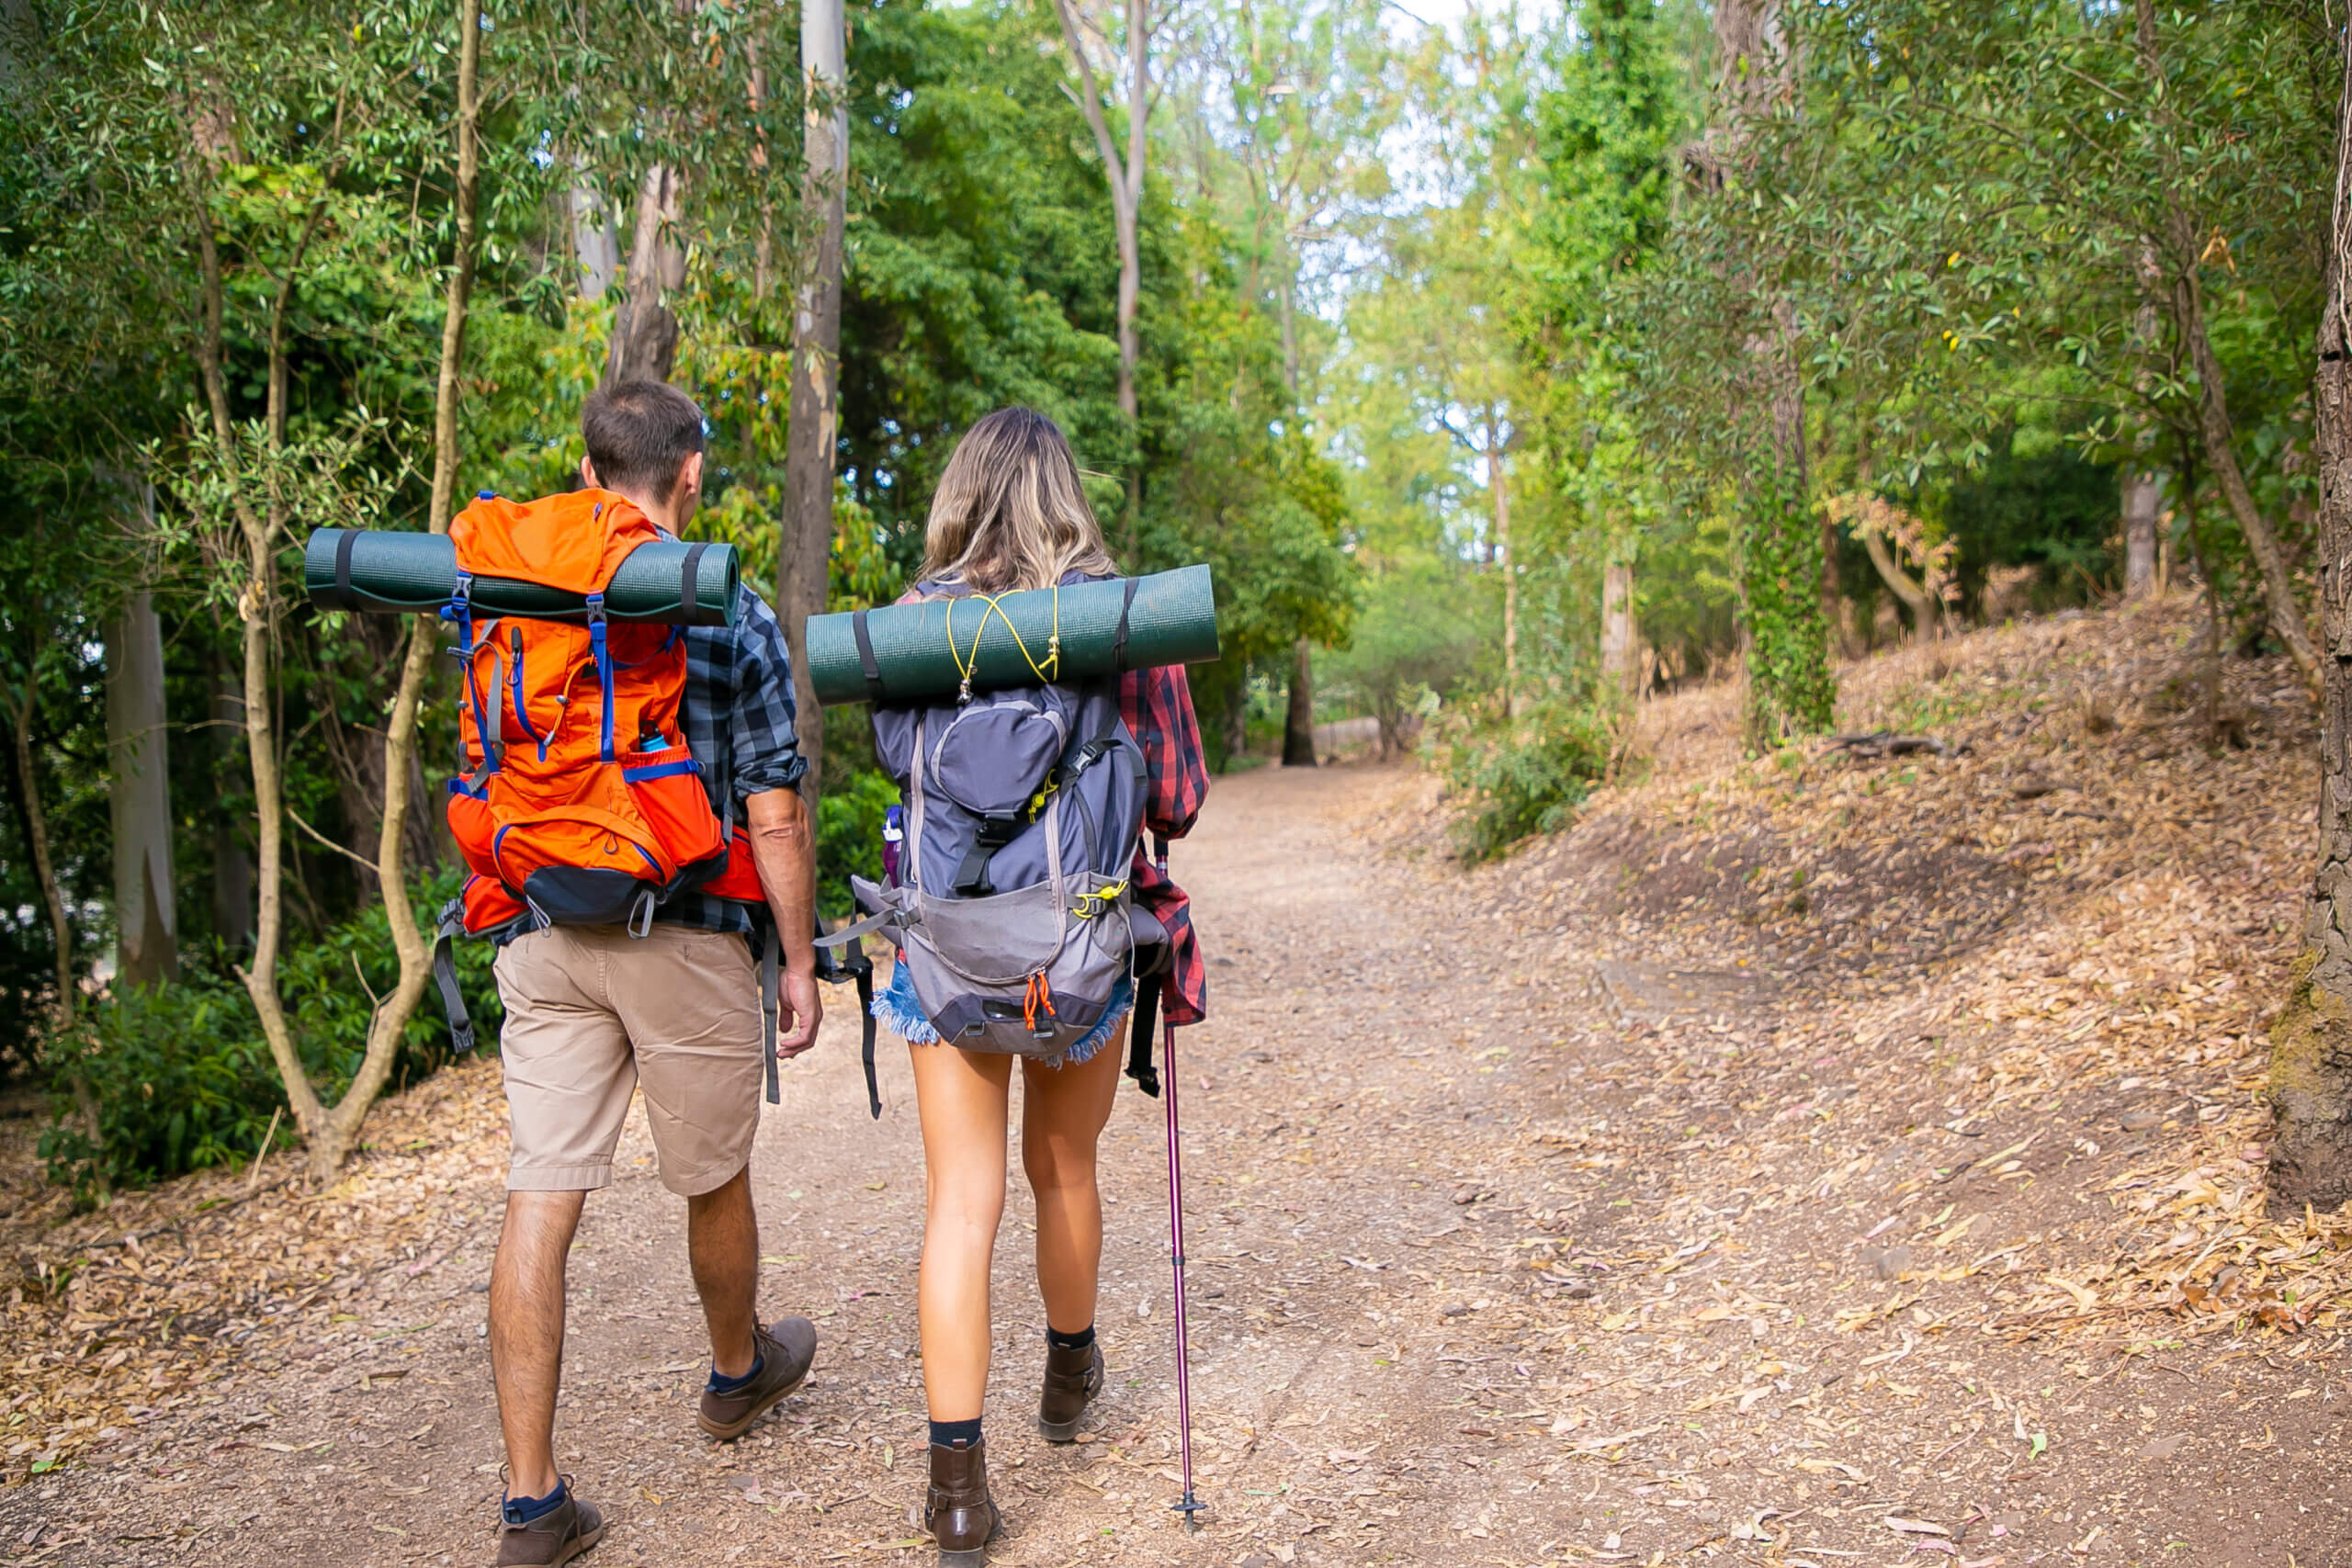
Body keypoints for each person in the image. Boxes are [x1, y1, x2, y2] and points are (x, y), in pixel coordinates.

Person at [483, 380, 827, 1567]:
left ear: (588, 473)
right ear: (688, 476)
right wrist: (797, 958)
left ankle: (533, 1502)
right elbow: (772, 809)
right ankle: (737, 1372)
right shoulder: (725, 605)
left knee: (543, 1191)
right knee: (712, 1169)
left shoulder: (515, 590)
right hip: (684, 928)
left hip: (542, 928)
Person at [873, 408, 1210, 1564]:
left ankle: (957, 1496)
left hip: (946, 952)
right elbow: (1176, 798)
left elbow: (889, 759)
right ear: (1069, 493)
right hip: (1077, 947)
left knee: (960, 1201)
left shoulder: (914, 624)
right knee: (1062, 1167)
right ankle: (1069, 1372)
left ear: (960, 494)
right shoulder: (1123, 621)